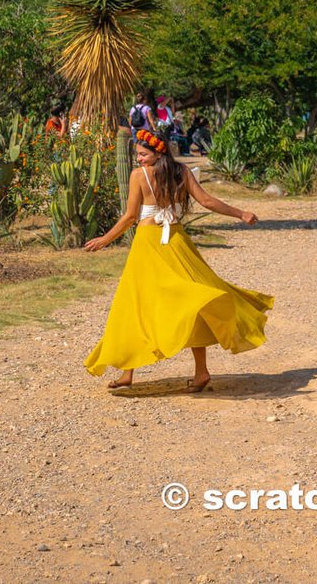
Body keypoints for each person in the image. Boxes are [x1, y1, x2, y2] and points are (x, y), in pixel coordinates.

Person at [83, 128, 272, 394]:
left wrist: (105, 239)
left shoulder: (139, 176)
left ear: (157, 153)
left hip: (149, 243)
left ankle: (130, 373)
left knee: (137, 305)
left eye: (142, 154)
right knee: (193, 302)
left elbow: (129, 217)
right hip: (177, 240)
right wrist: (240, 213)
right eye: (137, 155)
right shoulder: (180, 172)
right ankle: (197, 372)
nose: (138, 159)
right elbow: (206, 201)